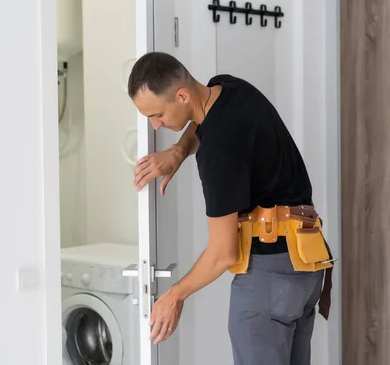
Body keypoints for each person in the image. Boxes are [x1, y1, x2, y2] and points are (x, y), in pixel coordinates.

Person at [127, 51, 334, 365]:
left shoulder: (219, 152)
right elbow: (201, 123)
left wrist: (175, 294)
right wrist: (178, 152)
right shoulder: (229, 88)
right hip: (306, 267)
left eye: (157, 115)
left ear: (181, 95)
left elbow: (224, 252)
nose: (156, 126)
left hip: (269, 279)